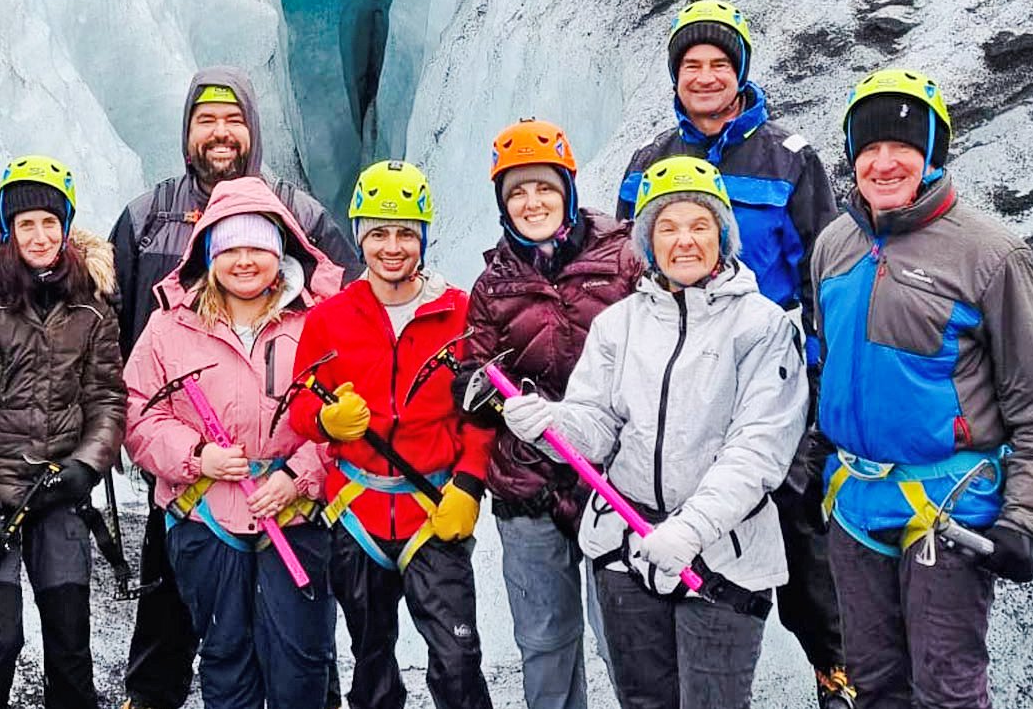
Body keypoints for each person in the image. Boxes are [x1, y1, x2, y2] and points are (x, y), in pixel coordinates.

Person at [503, 156, 807, 709]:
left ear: (723, 235)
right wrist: (553, 424)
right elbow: (597, 425)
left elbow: (759, 448)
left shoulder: (763, 326)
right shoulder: (619, 323)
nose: (683, 241)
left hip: (722, 557)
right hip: (628, 548)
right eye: (666, 227)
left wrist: (690, 530)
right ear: (647, 240)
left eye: (699, 225)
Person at [613, 1, 850, 706]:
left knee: (803, 531)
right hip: (680, 378)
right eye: (692, 66)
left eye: (720, 64)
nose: (706, 77)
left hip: (772, 373)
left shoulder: (791, 159)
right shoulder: (650, 162)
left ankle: (835, 670)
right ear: (675, 77)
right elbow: (628, 276)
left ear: (741, 72)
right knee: (700, 521)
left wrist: (821, 379)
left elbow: (825, 271)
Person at [814, 70, 1033, 709]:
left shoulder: (990, 254)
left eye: (901, 145)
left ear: (932, 153)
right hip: (854, 504)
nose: (883, 162)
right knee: (872, 685)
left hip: (946, 506)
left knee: (946, 689)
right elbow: (829, 368)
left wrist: (1027, 516)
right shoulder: (834, 245)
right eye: (868, 147)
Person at [114, 67, 360, 709]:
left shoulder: (304, 232)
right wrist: (185, 456)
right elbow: (120, 354)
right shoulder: (145, 219)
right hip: (192, 488)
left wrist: (303, 472)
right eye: (206, 120)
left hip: (294, 499)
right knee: (195, 629)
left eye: (233, 120)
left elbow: (346, 375)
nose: (221, 133)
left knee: (299, 648)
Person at [289, 160, 496, 709]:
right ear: (360, 235)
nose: (393, 246)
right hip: (356, 513)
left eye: (406, 231)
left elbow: (481, 414)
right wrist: (325, 420)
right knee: (370, 658)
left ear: (424, 236)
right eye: (379, 232)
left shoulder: (459, 314)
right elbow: (301, 402)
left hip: (434, 506)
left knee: (457, 662)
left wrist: (470, 485)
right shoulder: (330, 318)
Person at [457, 118, 642, 709]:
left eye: (543, 187)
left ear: (567, 187)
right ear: (502, 203)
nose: (532, 202)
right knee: (545, 642)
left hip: (614, 482)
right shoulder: (493, 285)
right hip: (528, 487)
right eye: (517, 192)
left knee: (627, 639)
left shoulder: (624, 258)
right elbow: (472, 376)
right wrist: (493, 397)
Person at [0, 156, 126, 709]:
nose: (39, 236)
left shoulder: (92, 301)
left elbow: (108, 397)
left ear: (66, 226)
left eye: (49, 222)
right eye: (25, 224)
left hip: (58, 493)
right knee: (1, 638)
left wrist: (87, 464)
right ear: (7, 229)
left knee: (69, 641)